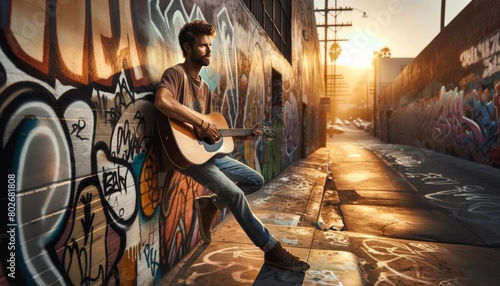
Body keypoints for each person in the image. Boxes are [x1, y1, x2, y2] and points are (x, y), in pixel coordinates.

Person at [154, 20, 310, 272]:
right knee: (235, 194)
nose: (209, 51)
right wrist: (200, 124)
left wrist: (242, 136)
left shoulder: (204, 88)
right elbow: (162, 101)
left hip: (202, 153)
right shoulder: (175, 74)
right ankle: (271, 249)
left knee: (255, 181)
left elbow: (204, 132)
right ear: (187, 47)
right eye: (203, 46)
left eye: (210, 46)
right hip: (185, 157)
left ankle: (212, 204)